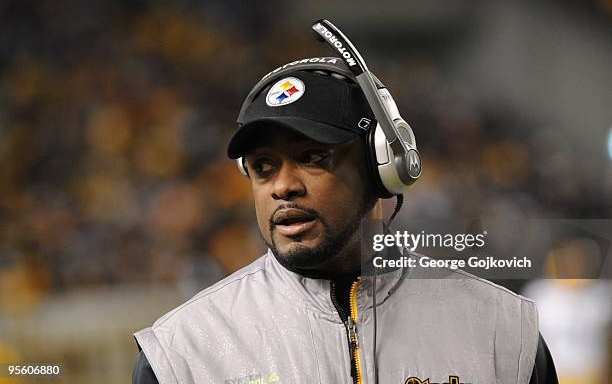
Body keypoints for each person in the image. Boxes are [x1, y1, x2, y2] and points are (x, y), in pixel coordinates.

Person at [132, 56, 558, 384]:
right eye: (263, 166)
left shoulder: (503, 331)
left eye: (312, 157)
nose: (283, 186)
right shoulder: (181, 353)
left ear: (382, 167)